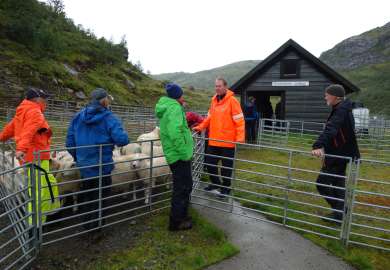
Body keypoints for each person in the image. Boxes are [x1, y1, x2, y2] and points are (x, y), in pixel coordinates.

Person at [66, 88, 129, 230]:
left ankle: (87, 225)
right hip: (102, 165)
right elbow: (122, 140)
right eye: (108, 99)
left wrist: (80, 158)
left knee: (88, 196)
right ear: (104, 100)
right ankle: (97, 228)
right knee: (100, 197)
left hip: (85, 167)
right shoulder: (109, 117)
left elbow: (69, 143)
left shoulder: (78, 116)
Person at [0, 87, 60, 224]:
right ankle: (35, 224)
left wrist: (1, 138)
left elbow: (10, 129)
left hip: (33, 156)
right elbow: (29, 130)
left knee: (48, 183)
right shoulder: (35, 111)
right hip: (36, 157)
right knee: (40, 191)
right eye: (45, 98)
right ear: (37, 99)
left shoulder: (22, 111)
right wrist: (21, 148)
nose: (47, 101)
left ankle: (52, 211)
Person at [312, 84, 360, 221]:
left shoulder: (341, 110)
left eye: (327, 94)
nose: (325, 97)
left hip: (338, 155)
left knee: (322, 183)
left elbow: (331, 129)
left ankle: (341, 213)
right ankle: (341, 214)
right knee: (338, 185)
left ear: (335, 96)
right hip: (342, 154)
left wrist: (318, 145)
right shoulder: (342, 108)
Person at [193, 77, 245, 198]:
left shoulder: (232, 101)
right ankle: (216, 183)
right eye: (216, 86)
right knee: (209, 163)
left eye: (219, 86)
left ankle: (226, 189)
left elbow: (240, 120)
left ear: (225, 87)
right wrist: (200, 127)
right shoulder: (213, 101)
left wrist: (240, 137)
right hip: (214, 140)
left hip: (228, 142)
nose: (217, 88)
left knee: (226, 168)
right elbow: (209, 118)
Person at [155, 83, 194, 231]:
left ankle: (181, 216)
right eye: (182, 94)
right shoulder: (175, 108)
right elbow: (175, 132)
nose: (183, 97)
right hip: (179, 155)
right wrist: (185, 153)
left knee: (184, 186)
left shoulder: (168, 106)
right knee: (182, 187)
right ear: (178, 96)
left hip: (174, 154)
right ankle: (176, 222)